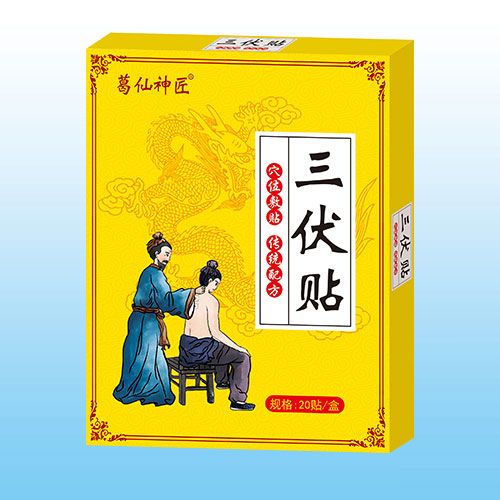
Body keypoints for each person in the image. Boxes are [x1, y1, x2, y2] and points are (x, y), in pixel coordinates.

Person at [113, 232, 204, 406]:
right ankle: (150, 391)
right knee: (149, 357)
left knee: (139, 355)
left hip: (141, 320)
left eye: (170, 255)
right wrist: (192, 292)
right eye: (166, 254)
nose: (168, 258)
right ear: (156, 253)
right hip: (146, 323)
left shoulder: (149, 272)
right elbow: (166, 300)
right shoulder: (155, 274)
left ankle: (135, 388)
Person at [179, 260, 255, 411]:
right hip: (201, 351)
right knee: (242, 357)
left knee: (221, 348)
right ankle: (238, 401)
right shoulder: (211, 300)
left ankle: (222, 381)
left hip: (186, 349)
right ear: (210, 281)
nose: (216, 287)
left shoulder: (191, 296)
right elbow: (215, 332)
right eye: (216, 283)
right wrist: (239, 348)